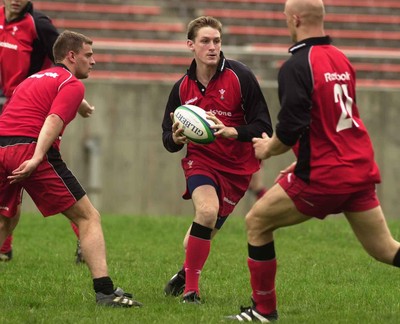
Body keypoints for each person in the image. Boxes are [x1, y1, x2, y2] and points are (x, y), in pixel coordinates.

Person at [227, 0, 400, 321]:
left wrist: (269, 150)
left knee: (256, 223)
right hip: (357, 169)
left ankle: (263, 311)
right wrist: (300, 159)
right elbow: (331, 123)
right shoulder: (341, 59)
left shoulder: (296, 65)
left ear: (294, 19)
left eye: (284, 19)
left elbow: (291, 127)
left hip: (325, 175)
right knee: (385, 249)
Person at [0, 30, 142, 307]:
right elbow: (53, 117)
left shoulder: (34, 78)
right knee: (89, 217)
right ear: (72, 55)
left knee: (6, 219)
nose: (94, 61)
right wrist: (37, 156)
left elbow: (47, 99)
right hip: (29, 149)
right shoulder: (72, 84)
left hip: (2, 147)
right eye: (89, 55)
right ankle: (105, 292)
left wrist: (82, 107)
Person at [161, 16, 273, 304]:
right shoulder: (182, 87)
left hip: (237, 169)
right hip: (201, 161)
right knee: (207, 212)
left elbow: (264, 127)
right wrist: (176, 138)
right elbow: (166, 137)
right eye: (205, 41)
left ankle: (184, 275)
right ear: (191, 45)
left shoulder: (241, 76)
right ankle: (191, 292)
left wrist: (231, 131)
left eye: (217, 41)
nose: (212, 47)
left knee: (195, 239)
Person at [0, 0, 93, 263]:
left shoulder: (38, 24)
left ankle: (83, 237)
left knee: (44, 175)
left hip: (33, 109)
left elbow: (65, 64)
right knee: (11, 185)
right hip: (12, 106)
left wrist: (77, 100)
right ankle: (5, 248)